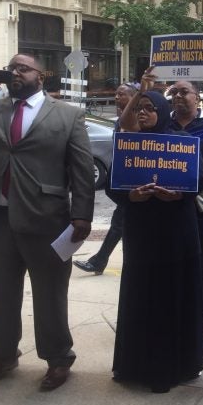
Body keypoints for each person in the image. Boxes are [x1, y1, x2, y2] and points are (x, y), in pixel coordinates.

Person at [0, 54, 94, 391]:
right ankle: (4, 355)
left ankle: (57, 358)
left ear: (41, 76)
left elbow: (81, 170)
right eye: (10, 68)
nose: (14, 73)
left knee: (50, 292)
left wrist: (82, 214)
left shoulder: (68, 115)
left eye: (22, 68)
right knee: (2, 291)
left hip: (47, 218)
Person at [120, 68, 203, 347]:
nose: (178, 96)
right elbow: (127, 125)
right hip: (168, 209)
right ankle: (180, 317)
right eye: (174, 92)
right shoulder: (163, 124)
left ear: (197, 96)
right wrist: (142, 91)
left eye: (184, 91)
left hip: (202, 205)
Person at [109, 90, 203, 393]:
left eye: (150, 109)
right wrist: (131, 196)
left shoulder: (181, 140)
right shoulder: (128, 143)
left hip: (176, 234)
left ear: (162, 111)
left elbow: (201, 180)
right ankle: (134, 365)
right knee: (140, 296)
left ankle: (169, 369)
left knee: (171, 299)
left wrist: (178, 194)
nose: (143, 113)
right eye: (138, 108)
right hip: (141, 235)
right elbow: (113, 184)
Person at [73, 82, 138, 274]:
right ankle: (102, 261)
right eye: (116, 95)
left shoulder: (140, 119)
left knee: (120, 224)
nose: (117, 98)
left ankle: (101, 261)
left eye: (122, 95)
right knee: (120, 224)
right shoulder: (119, 121)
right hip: (122, 182)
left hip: (135, 182)